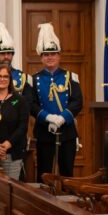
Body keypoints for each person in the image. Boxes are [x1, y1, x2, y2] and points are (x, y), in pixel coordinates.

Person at [31, 23, 83, 180]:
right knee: (44, 173)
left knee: (67, 173)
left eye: (53, 54)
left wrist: (61, 118)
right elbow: (31, 105)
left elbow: (77, 102)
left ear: (59, 56)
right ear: (41, 58)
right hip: (44, 132)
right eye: (46, 54)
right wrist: (48, 118)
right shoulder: (34, 79)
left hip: (66, 131)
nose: (50, 57)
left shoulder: (70, 77)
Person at [0, 64, 30, 180]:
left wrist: (4, 147)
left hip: (12, 154)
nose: (2, 79)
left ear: (10, 80)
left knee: (10, 191)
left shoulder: (20, 100)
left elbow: (22, 127)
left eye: (6, 77)